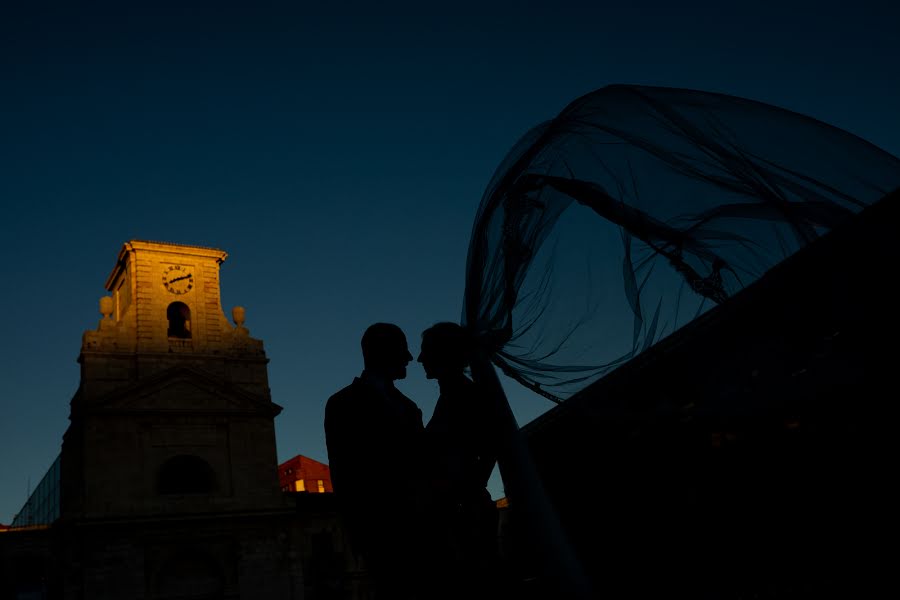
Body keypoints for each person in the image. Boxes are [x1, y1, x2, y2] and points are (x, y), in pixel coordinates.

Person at [324, 323, 426, 599]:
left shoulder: (409, 407)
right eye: (402, 349)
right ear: (381, 352)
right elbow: (344, 473)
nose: (409, 357)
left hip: (418, 532)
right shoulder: (342, 404)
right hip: (380, 533)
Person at [418, 322, 501, 594]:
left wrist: (464, 493)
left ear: (442, 355)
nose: (419, 359)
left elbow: (488, 449)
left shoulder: (464, 395)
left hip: (465, 514)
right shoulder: (454, 395)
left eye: (425, 352)